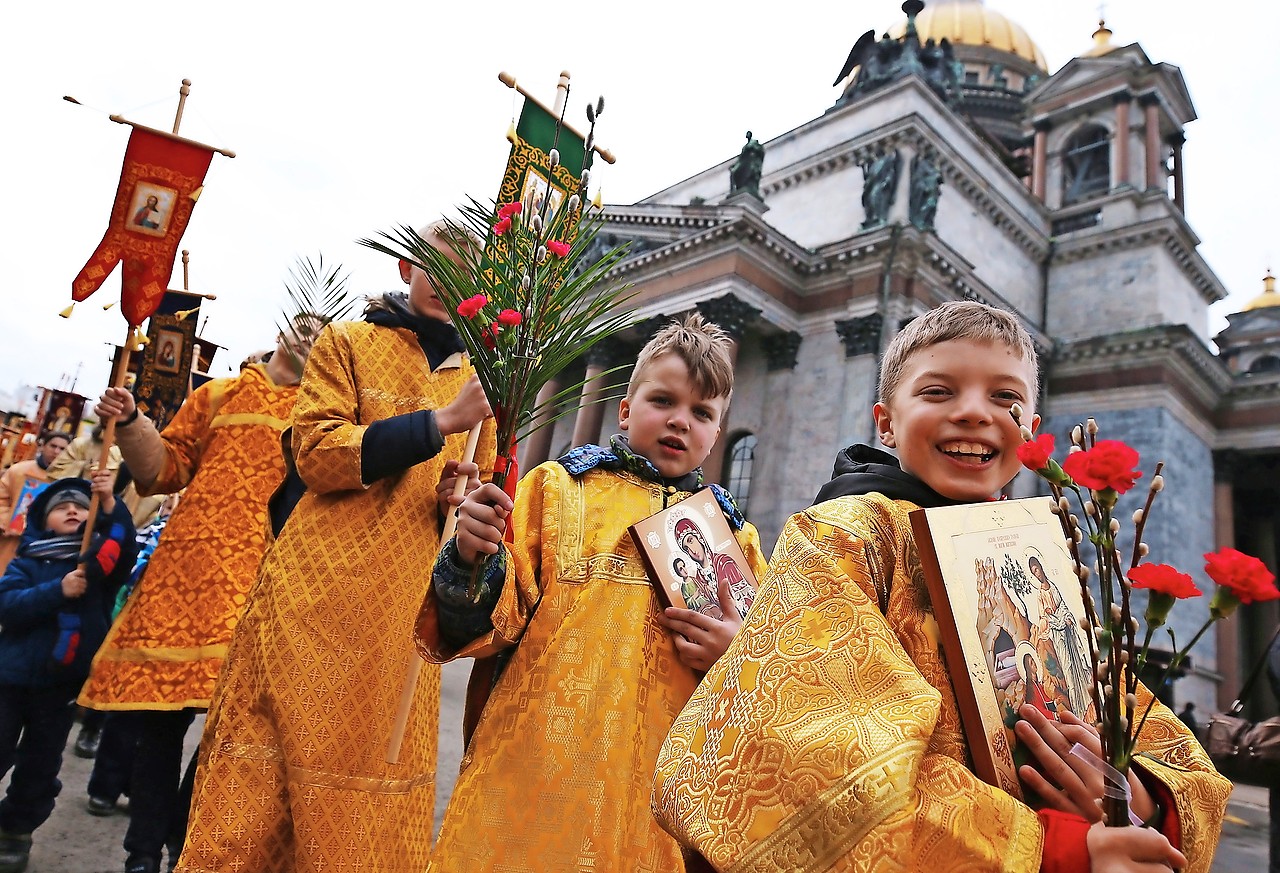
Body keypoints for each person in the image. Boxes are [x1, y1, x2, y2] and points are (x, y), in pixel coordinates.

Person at [652, 300, 1232, 873]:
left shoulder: (1039, 557)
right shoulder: (844, 537)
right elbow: (818, 755)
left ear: (1030, 431)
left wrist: (1134, 789)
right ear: (885, 421)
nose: (975, 413)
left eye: (1005, 397)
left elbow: (1147, 730)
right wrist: (1057, 848)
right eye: (938, 392)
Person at [175, 225, 496, 873]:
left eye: (469, 273)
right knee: (253, 809)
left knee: (360, 823)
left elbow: (470, 493)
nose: (450, 281)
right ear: (408, 266)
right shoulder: (347, 341)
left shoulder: (481, 389)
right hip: (309, 608)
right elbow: (317, 453)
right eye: (439, 264)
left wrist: (458, 505)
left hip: (395, 634)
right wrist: (438, 423)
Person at [421, 313, 768, 872]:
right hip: (539, 773)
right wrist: (470, 554)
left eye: (701, 413)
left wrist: (735, 653)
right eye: (663, 401)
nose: (680, 421)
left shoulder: (734, 539)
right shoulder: (558, 490)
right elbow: (492, 621)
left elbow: (764, 669)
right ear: (626, 411)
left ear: (716, 435)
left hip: (656, 799)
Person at [80, 313, 324, 873]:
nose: (311, 343)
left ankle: (180, 839)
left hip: (267, 586)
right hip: (189, 575)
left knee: (233, 735)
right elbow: (165, 469)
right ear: (283, 335)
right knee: (160, 726)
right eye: (304, 331)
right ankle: (142, 850)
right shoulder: (220, 394)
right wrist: (135, 420)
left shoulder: (323, 413)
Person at [0, 474, 137, 873]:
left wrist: (109, 500)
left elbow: (123, 541)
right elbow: (7, 606)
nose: (73, 510)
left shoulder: (98, 569)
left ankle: (15, 831)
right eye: (62, 507)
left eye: (80, 506)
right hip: (10, 680)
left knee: (40, 766)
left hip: (59, 687)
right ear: (44, 519)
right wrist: (57, 591)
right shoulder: (27, 561)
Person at [0, 431, 70, 574]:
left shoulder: (67, 481)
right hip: (10, 539)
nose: (56, 452)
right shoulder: (19, 470)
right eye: (53, 446)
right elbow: (2, 498)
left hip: (42, 546)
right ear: (43, 446)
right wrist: (7, 520)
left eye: (62, 449)